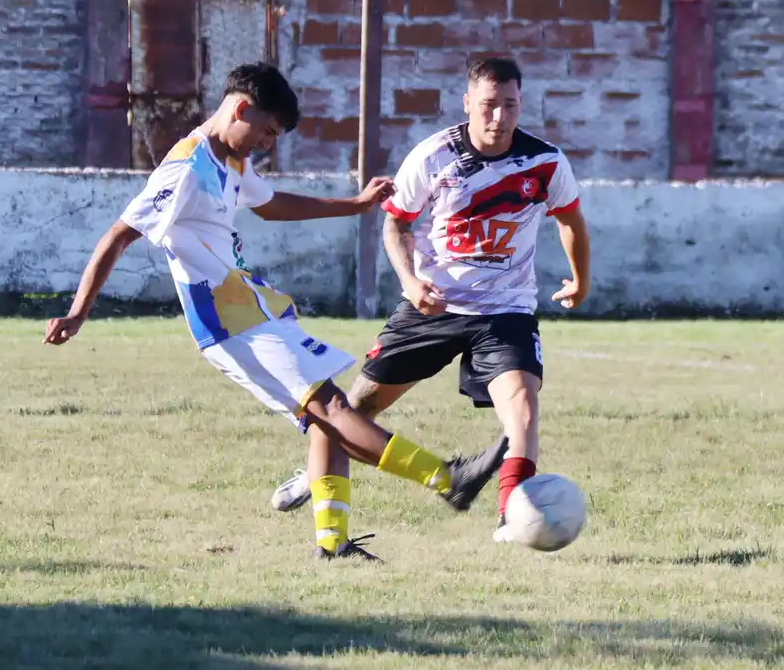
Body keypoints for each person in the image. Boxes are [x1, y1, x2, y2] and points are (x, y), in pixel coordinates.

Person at [43, 62, 504, 562]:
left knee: (327, 417)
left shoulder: (231, 162)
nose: (266, 144)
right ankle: (447, 479)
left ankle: (333, 544)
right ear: (241, 109)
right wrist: (77, 313)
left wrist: (353, 205)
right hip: (226, 323)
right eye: (266, 131)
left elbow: (271, 204)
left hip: (252, 309)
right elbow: (119, 234)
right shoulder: (185, 169)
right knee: (332, 408)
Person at [268, 55, 590, 544]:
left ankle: (510, 515)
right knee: (351, 412)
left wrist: (579, 280)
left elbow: (570, 220)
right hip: (431, 307)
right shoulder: (435, 155)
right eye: (488, 105)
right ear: (467, 103)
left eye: (510, 105)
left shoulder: (545, 162)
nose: (499, 117)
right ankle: (315, 477)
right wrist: (412, 282)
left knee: (521, 408)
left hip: (505, 312)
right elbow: (395, 221)